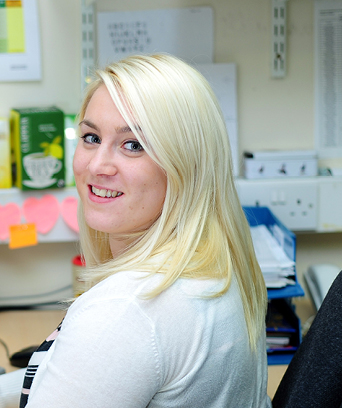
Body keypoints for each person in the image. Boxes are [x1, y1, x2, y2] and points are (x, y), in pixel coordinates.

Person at [0, 54, 271, 407]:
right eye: (91, 137)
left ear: (184, 165)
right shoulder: (215, 268)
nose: (97, 166)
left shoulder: (127, 313)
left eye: (133, 145)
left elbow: (113, 352)